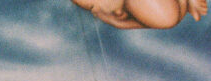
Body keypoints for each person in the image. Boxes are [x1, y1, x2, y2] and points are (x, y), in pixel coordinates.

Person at [70, 0, 207, 28]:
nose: (94, 10)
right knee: (166, 18)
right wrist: (114, 21)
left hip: (174, 12)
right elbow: (123, 24)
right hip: (172, 13)